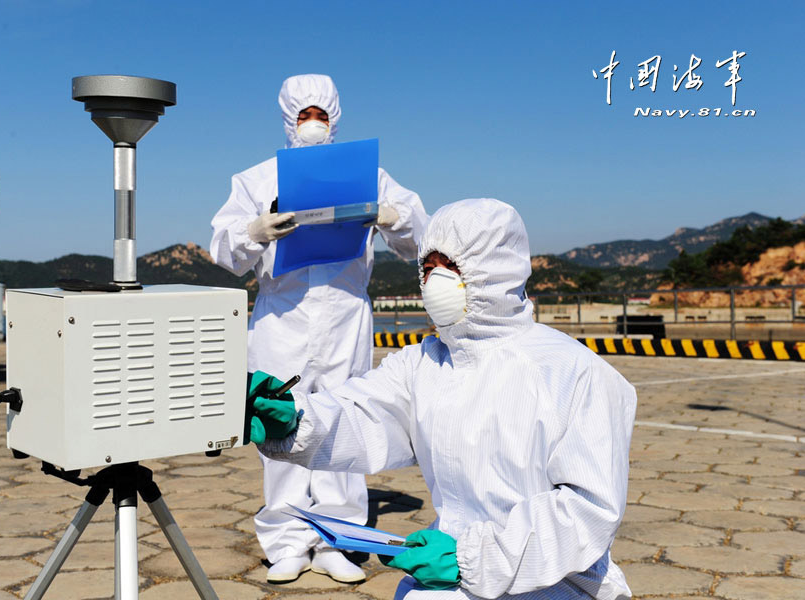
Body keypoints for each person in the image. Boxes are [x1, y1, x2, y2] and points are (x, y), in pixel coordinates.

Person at [250, 198, 637, 599]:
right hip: (451, 573)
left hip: (555, 581)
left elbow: (587, 510)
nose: (435, 280)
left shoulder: (574, 372)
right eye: (428, 268)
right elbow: (365, 413)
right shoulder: (426, 362)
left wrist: (469, 559)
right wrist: (296, 419)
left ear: (496, 271)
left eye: (451, 267)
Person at [210, 73, 429, 584]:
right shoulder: (256, 180)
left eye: (320, 115)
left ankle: (338, 540)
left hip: (346, 314)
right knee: (279, 420)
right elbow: (222, 248)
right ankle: (285, 538)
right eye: (303, 115)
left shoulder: (368, 176)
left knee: (343, 421)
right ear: (287, 118)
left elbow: (419, 234)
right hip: (280, 315)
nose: (312, 124)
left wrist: (393, 216)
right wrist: (254, 230)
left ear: (335, 117)